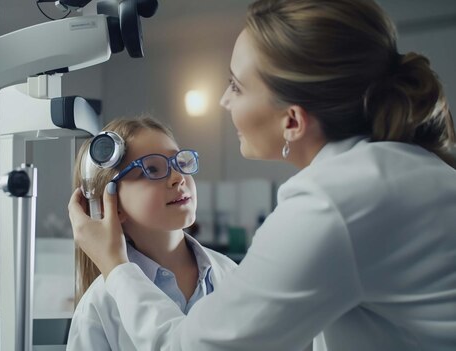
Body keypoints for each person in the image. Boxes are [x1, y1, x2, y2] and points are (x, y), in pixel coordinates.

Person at [67, 0, 456, 350]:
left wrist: (117, 267)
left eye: (236, 86)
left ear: (292, 120)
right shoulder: (400, 170)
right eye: (151, 169)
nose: (223, 100)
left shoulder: (330, 206)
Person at [66, 117, 237, 350]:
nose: (178, 178)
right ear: (111, 203)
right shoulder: (98, 306)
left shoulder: (232, 276)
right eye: (152, 169)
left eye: (178, 162)